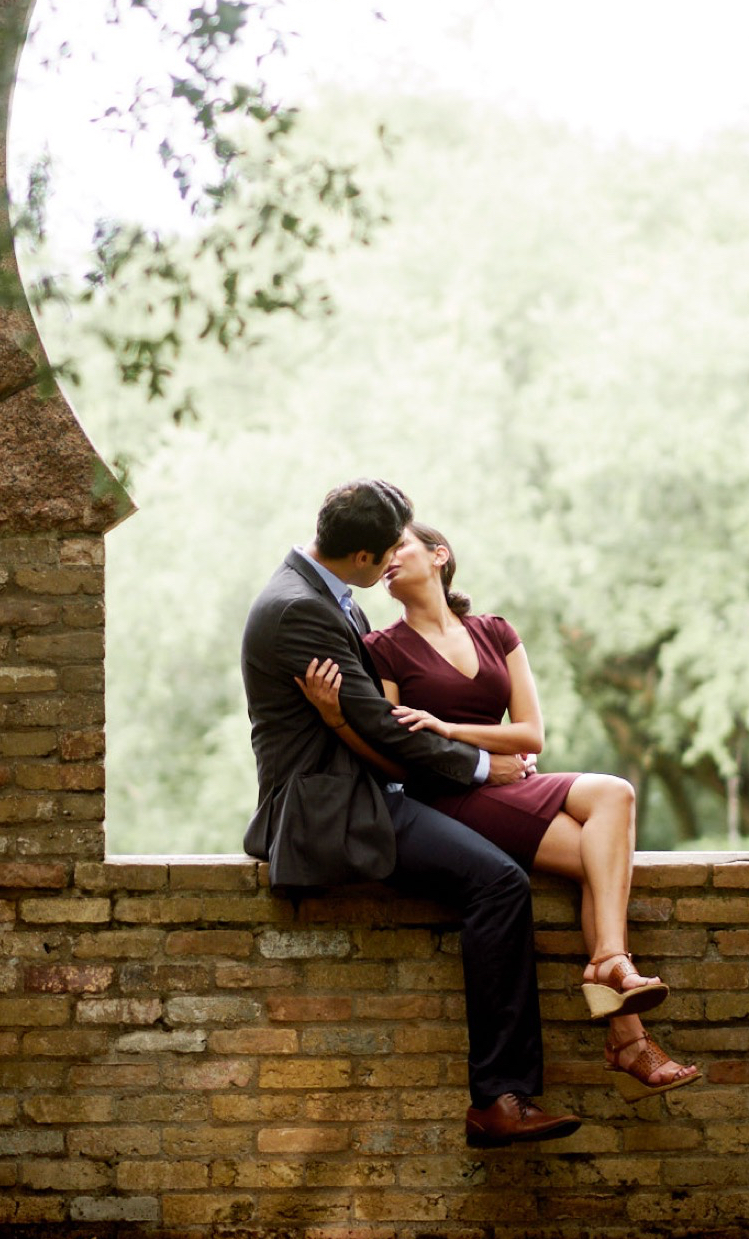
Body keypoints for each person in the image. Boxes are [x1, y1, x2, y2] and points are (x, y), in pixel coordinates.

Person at [240, 476, 581, 1147]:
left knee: (511, 859)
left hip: (375, 787)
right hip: (333, 806)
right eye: (389, 547)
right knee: (498, 882)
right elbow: (384, 725)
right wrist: (487, 766)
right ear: (363, 557)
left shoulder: (323, 596)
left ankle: (507, 1092)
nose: (396, 559)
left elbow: (376, 722)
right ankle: (498, 1099)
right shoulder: (299, 608)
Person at [301, 520, 699, 1091]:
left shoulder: (495, 631)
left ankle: (613, 972)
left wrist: (448, 726)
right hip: (450, 796)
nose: (389, 559)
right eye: (383, 553)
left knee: (614, 797)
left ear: (440, 555)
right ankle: (625, 1022)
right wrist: (467, 744)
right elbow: (397, 748)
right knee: (603, 851)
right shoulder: (380, 648)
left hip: (510, 781)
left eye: (401, 546)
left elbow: (531, 734)